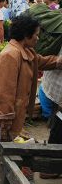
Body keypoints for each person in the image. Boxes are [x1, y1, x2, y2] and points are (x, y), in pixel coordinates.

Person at [0, 15, 62, 141]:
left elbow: (40, 61)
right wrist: (6, 119)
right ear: (26, 35)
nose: (37, 38)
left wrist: (57, 62)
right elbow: (3, 92)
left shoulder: (25, 51)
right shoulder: (10, 55)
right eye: (36, 35)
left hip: (5, 115)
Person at [40, 45, 62, 179]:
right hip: (57, 86)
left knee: (58, 124)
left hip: (55, 86)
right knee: (58, 123)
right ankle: (52, 165)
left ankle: (53, 166)